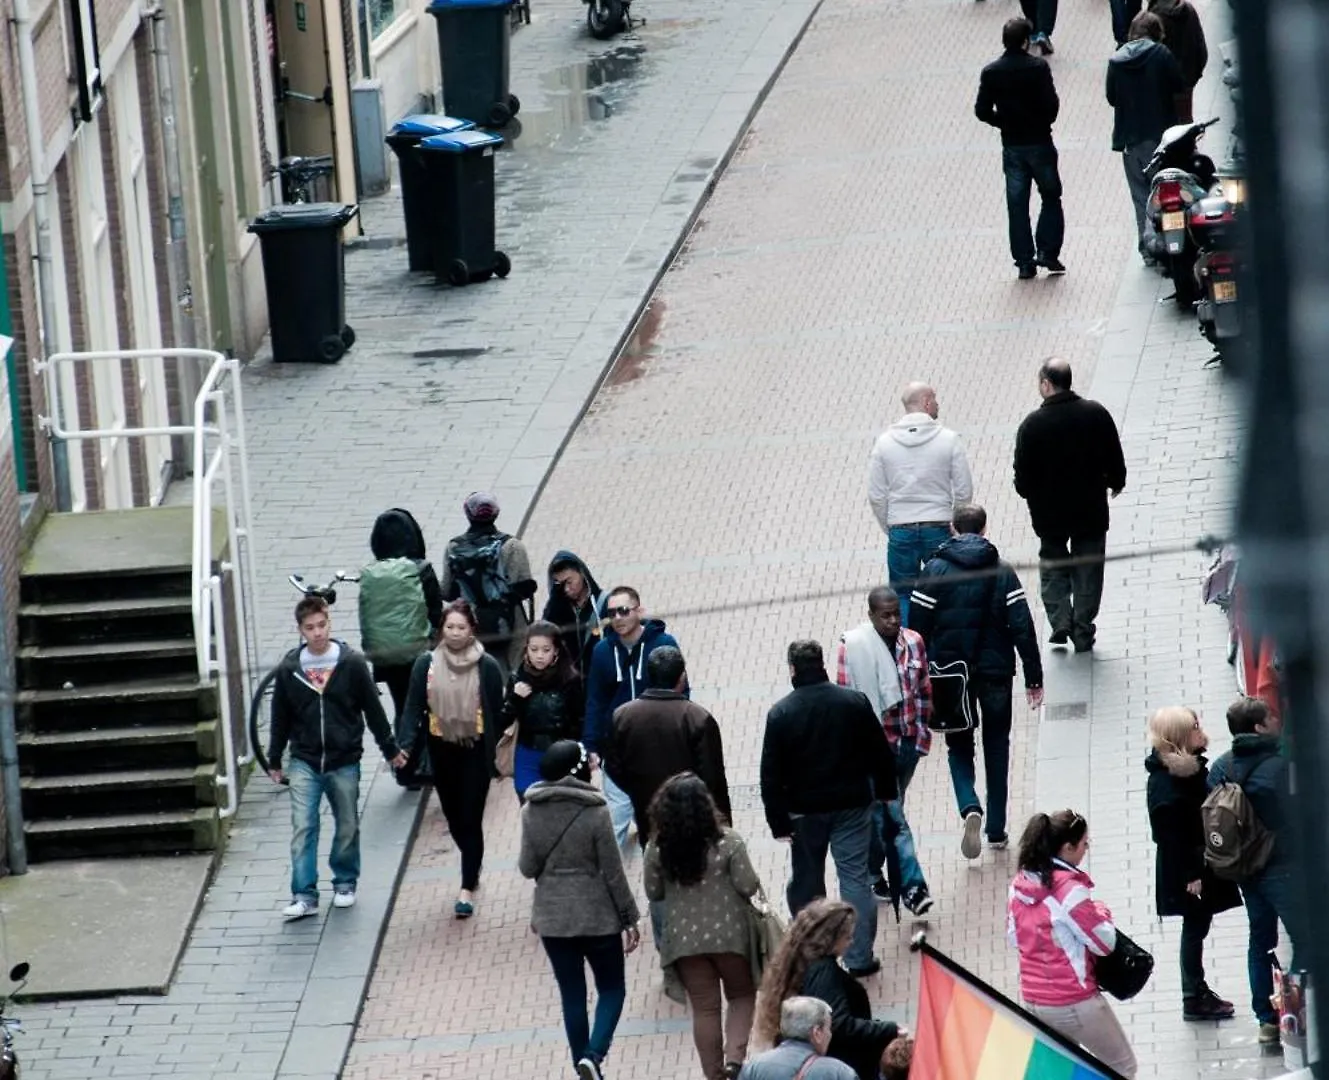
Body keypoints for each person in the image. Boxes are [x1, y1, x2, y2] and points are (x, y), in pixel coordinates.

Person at [911, 504, 1043, 856]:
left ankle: (970, 805)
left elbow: (916, 631)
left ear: (953, 528)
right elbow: (1022, 625)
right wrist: (1034, 676)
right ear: (984, 529)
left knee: (958, 745)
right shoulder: (1002, 572)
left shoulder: (934, 571)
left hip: (950, 675)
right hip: (996, 672)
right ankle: (997, 829)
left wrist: (919, 676)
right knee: (998, 745)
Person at [760, 641, 898, 978]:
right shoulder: (852, 702)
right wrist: (884, 791)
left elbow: (771, 774)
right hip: (852, 805)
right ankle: (860, 957)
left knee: (808, 883)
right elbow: (879, 752)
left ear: (792, 668)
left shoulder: (781, 713)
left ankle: (815, 958)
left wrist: (778, 821)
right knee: (854, 879)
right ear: (821, 664)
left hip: (804, 814)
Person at [268, 596, 408, 919]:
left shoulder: (351, 664)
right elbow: (280, 717)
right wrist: (275, 759)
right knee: (303, 826)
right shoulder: (290, 669)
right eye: (310, 628)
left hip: (343, 758)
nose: (317, 633)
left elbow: (373, 710)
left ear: (329, 623)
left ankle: (345, 882)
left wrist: (390, 750)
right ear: (300, 631)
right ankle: (304, 894)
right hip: (304, 759)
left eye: (322, 625)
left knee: (347, 823)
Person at [519, 740, 641, 1080]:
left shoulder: (530, 811)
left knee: (572, 994)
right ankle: (594, 1055)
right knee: (612, 988)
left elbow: (527, 867)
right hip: (598, 917)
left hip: (553, 920)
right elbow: (613, 872)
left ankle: (583, 1067)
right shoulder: (596, 811)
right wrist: (630, 917)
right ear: (579, 770)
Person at [644, 774, 760, 1080]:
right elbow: (748, 884)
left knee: (705, 1009)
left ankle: (713, 1074)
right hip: (731, 936)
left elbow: (653, 892)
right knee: (741, 995)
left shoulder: (657, 848)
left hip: (685, 942)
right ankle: (734, 1061)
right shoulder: (729, 841)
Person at [1007, 811, 1138, 1078]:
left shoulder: (1020, 885)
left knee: (1062, 1072)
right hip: (1074, 1000)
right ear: (1067, 848)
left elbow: (1013, 936)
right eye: (1084, 844)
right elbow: (1104, 943)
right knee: (1122, 1066)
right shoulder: (1069, 891)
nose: (1086, 850)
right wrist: (1101, 911)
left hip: (1035, 1000)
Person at [1207, 696, 1306, 1046]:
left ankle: (1266, 1020)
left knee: (1260, 941)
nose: (1278, 721)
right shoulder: (1280, 768)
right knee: (1306, 940)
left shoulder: (1220, 768)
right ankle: (1291, 1012)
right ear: (1258, 727)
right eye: (1272, 718)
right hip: (1281, 867)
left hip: (1245, 871)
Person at [398, 599, 506, 918]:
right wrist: (402, 747)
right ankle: (472, 860)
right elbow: (413, 708)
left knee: (471, 817)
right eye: (450, 627)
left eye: (461, 627)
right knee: (454, 817)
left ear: (472, 629)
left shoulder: (486, 666)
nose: (455, 633)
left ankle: (466, 886)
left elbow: (497, 712)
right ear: (441, 630)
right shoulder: (425, 665)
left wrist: (499, 755)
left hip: (475, 750)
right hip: (441, 750)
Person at [1012, 358, 1127, 652]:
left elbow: (1022, 475)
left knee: (1053, 565)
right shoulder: (1095, 413)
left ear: (1046, 384)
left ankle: (1060, 618)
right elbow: (1113, 453)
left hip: (1049, 515)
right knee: (1089, 567)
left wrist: (1028, 492)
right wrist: (1116, 481)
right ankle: (1083, 627)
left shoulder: (1032, 425)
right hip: (1090, 510)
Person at [834, 586, 934, 916]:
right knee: (895, 817)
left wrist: (920, 740)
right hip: (874, 752)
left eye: (896, 614)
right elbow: (849, 702)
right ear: (871, 616)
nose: (892, 620)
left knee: (887, 815)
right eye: (885, 615)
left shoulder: (914, 642)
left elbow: (923, 691)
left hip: (906, 746)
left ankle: (873, 871)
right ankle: (914, 888)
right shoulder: (853, 648)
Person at [1144, 706, 1240, 1021]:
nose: (1201, 729)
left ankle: (1196, 991)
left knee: (1197, 925)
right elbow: (1169, 835)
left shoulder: (1184, 769)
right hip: (1188, 867)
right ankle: (1193, 994)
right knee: (1195, 927)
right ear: (1180, 736)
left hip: (1196, 860)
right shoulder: (1167, 785)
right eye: (1195, 726)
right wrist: (1191, 874)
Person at [754, 900, 901, 1080]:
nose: (851, 942)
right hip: (842, 1060)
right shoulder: (824, 971)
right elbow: (840, 1024)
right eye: (847, 937)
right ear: (831, 939)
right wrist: (888, 1029)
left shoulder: (800, 959)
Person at [584, 586, 683, 848]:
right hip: (617, 747)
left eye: (624, 610)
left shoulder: (663, 645)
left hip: (655, 744)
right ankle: (609, 876)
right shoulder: (602, 652)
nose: (617, 617)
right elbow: (595, 699)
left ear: (639, 611)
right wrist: (591, 745)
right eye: (612, 613)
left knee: (659, 813)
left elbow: (681, 690)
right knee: (617, 815)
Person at [867, 383, 974, 624]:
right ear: (926, 402)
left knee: (903, 594)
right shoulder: (948, 439)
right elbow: (964, 488)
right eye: (935, 399)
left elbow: (876, 494)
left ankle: (909, 651)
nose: (937, 404)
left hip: (900, 529)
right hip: (939, 526)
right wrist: (955, 522)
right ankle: (945, 649)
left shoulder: (884, 443)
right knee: (946, 591)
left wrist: (891, 525)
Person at [606, 646, 732, 845]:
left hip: (648, 813)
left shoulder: (622, 716)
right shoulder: (697, 718)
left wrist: (638, 788)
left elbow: (613, 766)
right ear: (682, 677)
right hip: (694, 819)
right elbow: (713, 777)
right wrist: (723, 824)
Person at [975, 18, 1064, 281]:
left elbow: (981, 110)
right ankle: (1047, 250)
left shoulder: (991, 72)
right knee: (1050, 196)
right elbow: (1052, 106)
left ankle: (1024, 262)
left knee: (1017, 204)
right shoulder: (1037, 68)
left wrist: (1003, 122)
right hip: (1039, 142)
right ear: (1026, 41)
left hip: (1012, 145)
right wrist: (1042, 121)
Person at [1107, 11, 1186, 264]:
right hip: (1160, 136)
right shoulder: (1161, 54)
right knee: (1166, 191)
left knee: (1141, 195)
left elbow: (1111, 97)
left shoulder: (1116, 60)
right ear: (1156, 32)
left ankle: (1147, 247)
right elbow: (1178, 84)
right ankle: (1171, 241)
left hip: (1130, 139)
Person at [439, 491, 537, 677]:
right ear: (496, 513)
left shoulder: (453, 547)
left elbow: (446, 591)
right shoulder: (513, 546)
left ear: (467, 513)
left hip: (469, 625)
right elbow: (525, 588)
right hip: (510, 624)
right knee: (513, 676)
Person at [501, 620, 585, 801]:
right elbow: (502, 721)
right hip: (528, 752)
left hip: (561, 753)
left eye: (546, 650)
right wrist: (514, 700)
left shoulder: (569, 680)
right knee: (529, 806)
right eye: (534, 649)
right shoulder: (517, 679)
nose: (539, 656)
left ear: (556, 651)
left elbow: (579, 719)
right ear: (526, 649)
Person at [738, 997, 859, 1080]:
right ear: (817, 1033)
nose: (830, 1034)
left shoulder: (753, 1067)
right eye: (828, 1028)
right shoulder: (840, 1073)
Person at [543, 551, 609, 678]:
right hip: (570, 684)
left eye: (569, 582)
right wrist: (554, 603)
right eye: (560, 584)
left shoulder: (604, 603)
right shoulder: (556, 608)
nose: (566, 589)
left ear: (582, 573)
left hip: (600, 678)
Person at [1148, 0, 1207, 122]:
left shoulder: (1155, 17)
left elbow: (1152, 55)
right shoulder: (1188, 10)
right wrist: (1194, 74)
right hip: (1187, 77)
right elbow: (1201, 46)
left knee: (1169, 125)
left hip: (1166, 84)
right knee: (1186, 120)